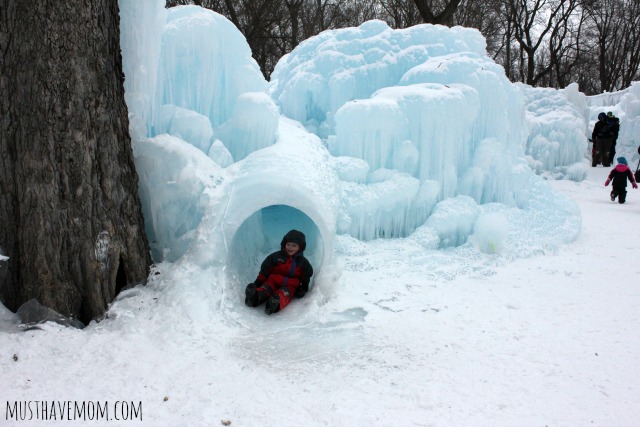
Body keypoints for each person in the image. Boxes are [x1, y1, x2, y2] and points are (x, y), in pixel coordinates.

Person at [244, 229, 313, 315]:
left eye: (294, 245)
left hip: (289, 285)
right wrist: (259, 281)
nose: (290, 248)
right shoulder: (276, 257)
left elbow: (306, 275)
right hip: (273, 281)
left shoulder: (302, 262)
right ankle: (254, 297)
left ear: (300, 247)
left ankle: (274, 304)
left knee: (284, 294)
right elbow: (265, 268)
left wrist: (303, 287)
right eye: (288, 244)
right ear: (284, 244)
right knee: (266, 288)